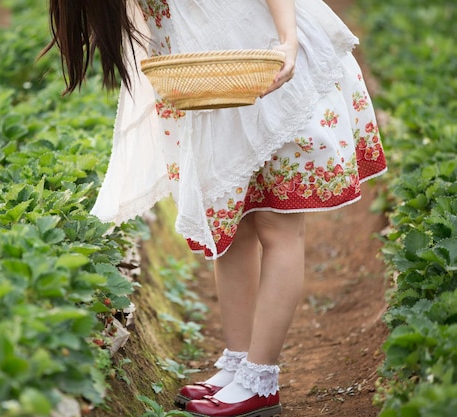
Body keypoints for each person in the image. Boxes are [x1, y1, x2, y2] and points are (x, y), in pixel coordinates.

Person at [44, 0, 387, 416]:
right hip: (217, 88)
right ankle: (239, 363)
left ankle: (261, 380)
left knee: (277, 229)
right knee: (233, 230)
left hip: (274, 70)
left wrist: (289, 41)